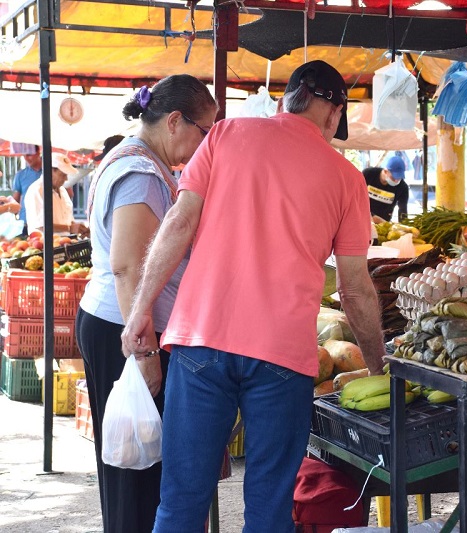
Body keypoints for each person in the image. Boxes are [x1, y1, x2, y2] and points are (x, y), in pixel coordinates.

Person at [120, 59, 386, 532]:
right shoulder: (347, 179)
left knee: (181, 499)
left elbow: (178, 225)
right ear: (332, 114)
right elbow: (355, 289)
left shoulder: (224, 135)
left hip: (201, 340)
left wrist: (141, 309)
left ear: (286, 100)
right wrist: (379, 367)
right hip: (282, 358)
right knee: (268, 507)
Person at [75, 75, 217, 533]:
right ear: (175, 121)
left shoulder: (140, 162)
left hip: (118, 325)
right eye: (204, 130)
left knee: (136, 463)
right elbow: (128, 268)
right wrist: (146, 351)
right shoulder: (139, 172)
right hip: (126, 330)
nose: (204, 143)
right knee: (136, 471)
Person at [24, 153, 88, 235]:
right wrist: (70, 228)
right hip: (43, 246)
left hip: (65, 243)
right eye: (63, 175)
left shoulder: (62, 190)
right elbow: (41, 225)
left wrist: (80, 229)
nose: (66, 178)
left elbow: (68, 219)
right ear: (50, 171)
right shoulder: (36, 190)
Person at [363, 154, 409, 222]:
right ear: (385, 171)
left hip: (384, 224)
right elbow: (356, 198)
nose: (396, 180)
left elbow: (403, 210)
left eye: (399, 177)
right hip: (364, 218)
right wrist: (372, 216)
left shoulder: (402, 187)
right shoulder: (368, 174)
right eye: (393, 177)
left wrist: (404, 227)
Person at [12, 145, 43, 234]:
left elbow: (69, 194)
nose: (26, 158)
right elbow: (15, 201)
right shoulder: (20, 175)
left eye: (29, 154)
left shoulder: (51, 172)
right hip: (25, 222)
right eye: (24, 155)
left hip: (47, 222)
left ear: (38, 152)